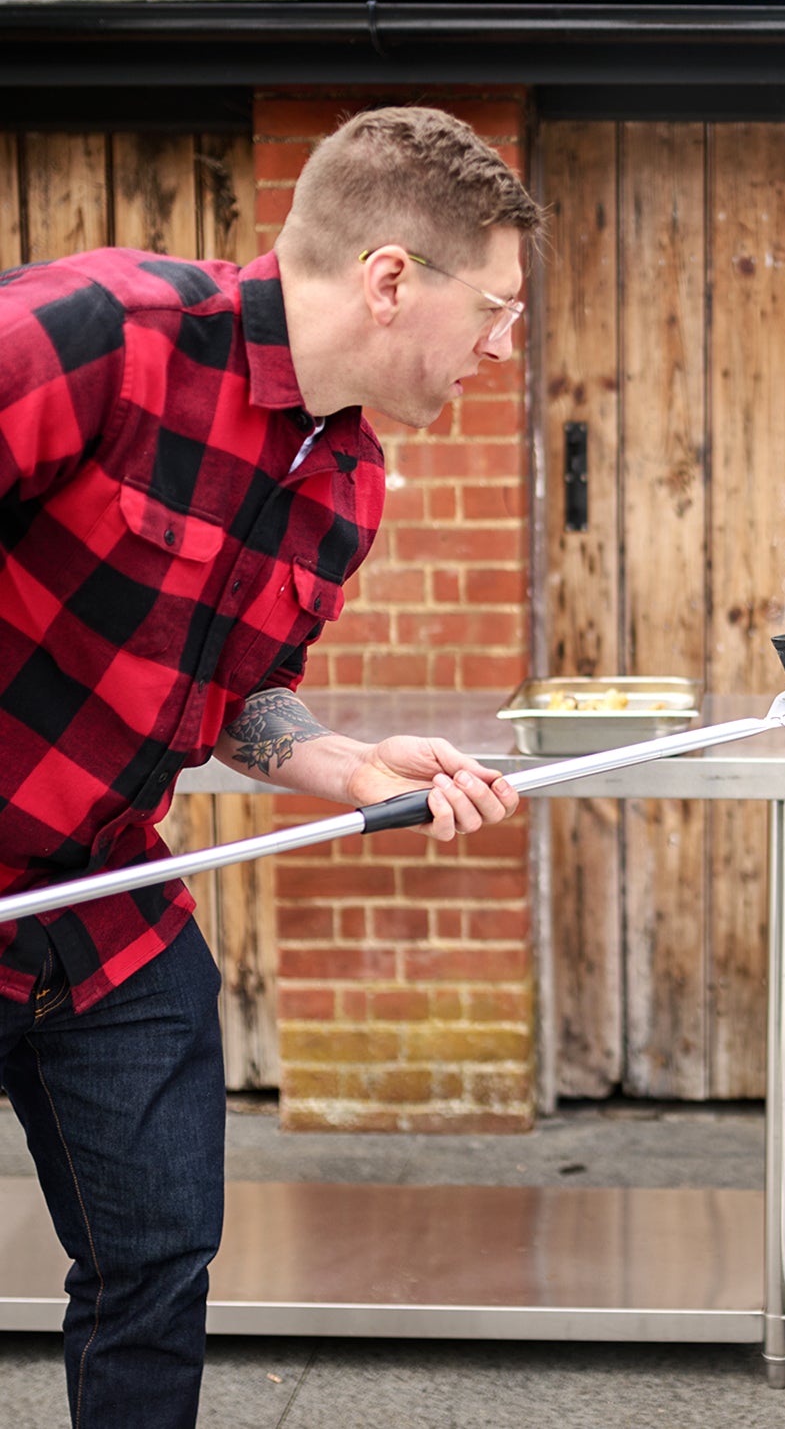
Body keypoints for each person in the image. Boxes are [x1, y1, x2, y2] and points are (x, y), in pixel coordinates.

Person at [0, 105, 543, 1427]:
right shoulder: (97, 335)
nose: (506, 346)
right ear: (393, 277)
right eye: (499, 306)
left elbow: (242, 692)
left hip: (103, 905)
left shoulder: (347, 481)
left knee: (153, 1266)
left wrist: (339, 764)